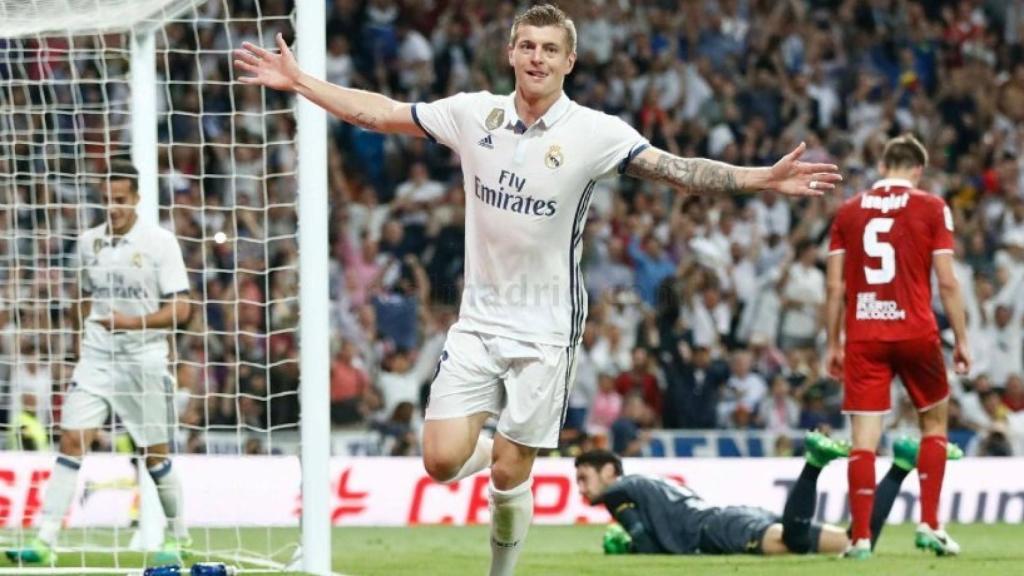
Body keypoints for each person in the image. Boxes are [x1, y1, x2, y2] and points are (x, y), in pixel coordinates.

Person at [234, 5, 841, 574]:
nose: (538, 58)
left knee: (507, 476)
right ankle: (501, 447)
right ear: (511, 53)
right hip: (477, 321)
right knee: (441, 461)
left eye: (551, 49)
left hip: (547, 329)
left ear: (569, 62)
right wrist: (304, 82)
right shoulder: (474, 114)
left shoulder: (593, 132)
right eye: (528, 45)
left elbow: (677, 170)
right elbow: (381, 111)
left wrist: (762, 177)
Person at [6, 160, 193, 566]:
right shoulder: (89, 243)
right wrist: (80, 343)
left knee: (155, 455)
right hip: (96, 359)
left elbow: (182, 308)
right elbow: (82, 298)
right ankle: (45, 540)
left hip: (143, 359)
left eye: (120, 200)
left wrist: (132, 322)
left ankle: (179, 537)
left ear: (137, 199)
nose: (113, 208)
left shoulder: (160, 243)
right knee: (72, 440)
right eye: (106, 200)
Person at [825, 134, 971, 559]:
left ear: (884, 164)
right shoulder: (931, 206)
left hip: (865, 333)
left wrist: (833, 343)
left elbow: (835, 287)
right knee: (934, 423)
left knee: (864, 441)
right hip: (915, 331)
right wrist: (961, 340)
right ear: (918, 170)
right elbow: (946, 280)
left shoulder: (848, 212)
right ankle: (929, 523)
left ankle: (861, 540)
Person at [577, 433, 962, 557]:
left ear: (609, 472)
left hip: (716, 531)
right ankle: (901, 467)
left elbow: (648, 548)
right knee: (853, 543)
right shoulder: (648, 481)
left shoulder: (620, 490)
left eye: (585, 477)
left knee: (795, 541)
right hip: (731, 517)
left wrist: (626, 548)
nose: (581, 487)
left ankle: (812, 464)